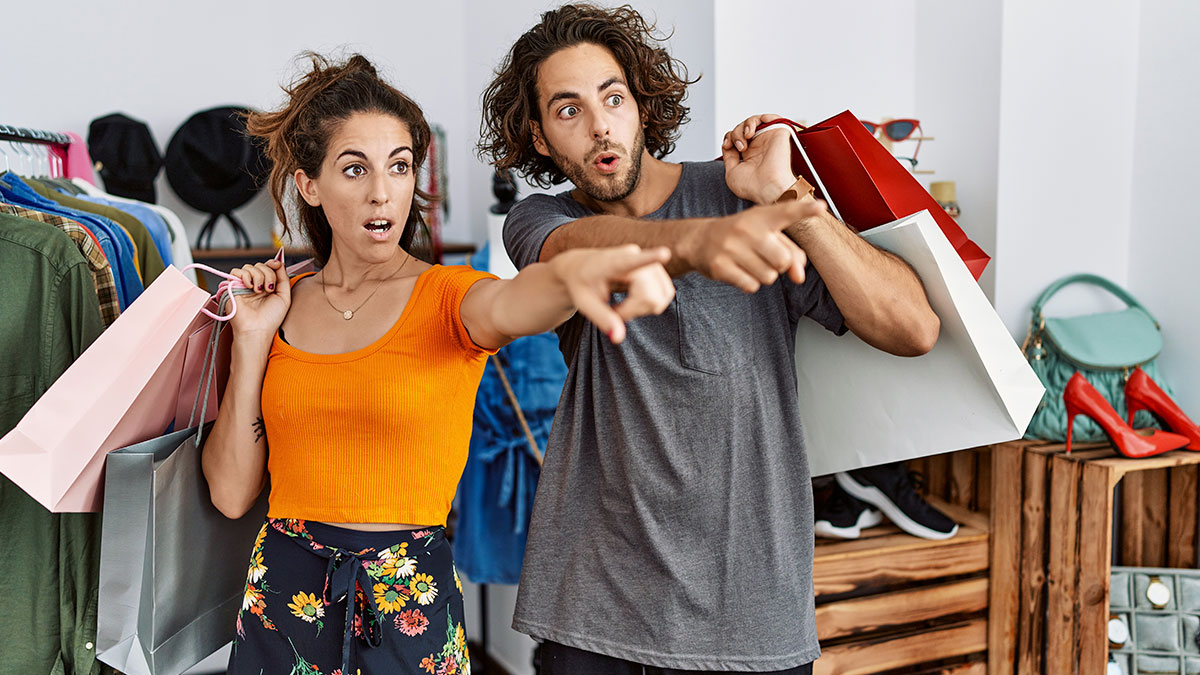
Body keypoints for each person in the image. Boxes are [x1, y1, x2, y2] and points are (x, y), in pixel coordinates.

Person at [478, 5, 941, 673]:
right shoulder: (542, 219)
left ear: (642, 103)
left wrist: (787, 200)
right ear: (541, 136)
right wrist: (701, 242)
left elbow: (914, 327)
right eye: (568, 109)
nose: (600, 124)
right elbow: (573, 252)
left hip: (751, 617)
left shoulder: (738, 198)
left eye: (613, 97)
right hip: (593, 612)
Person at [202, 52, 676, 675]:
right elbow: (233, 495)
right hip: (282, 602)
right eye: (355, 169)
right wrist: (253, 340)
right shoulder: (277, 308)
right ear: (308, 185)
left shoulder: (450, 297)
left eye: (400, 168)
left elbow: (514, 301)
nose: (382, 191)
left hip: (409, 610)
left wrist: (574, 277)